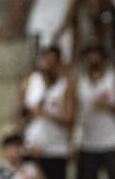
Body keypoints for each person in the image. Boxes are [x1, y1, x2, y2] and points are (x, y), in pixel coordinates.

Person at [20, 45, 76, 179]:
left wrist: (44, 114)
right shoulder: (30, 81)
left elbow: (69, 119)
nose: (48, 65)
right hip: (31, 147)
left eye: (52, 61)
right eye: (45, 60)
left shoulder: (66, 84)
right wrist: (22, 142)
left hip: (55, 149)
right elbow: (20, 114)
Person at [74, 44, 115, 179]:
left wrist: (107, 105)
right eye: (89, 55)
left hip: (111, 141)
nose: (93, 58)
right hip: (87, 142)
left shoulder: (112, 78)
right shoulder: (78, 80)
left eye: (96, 54)